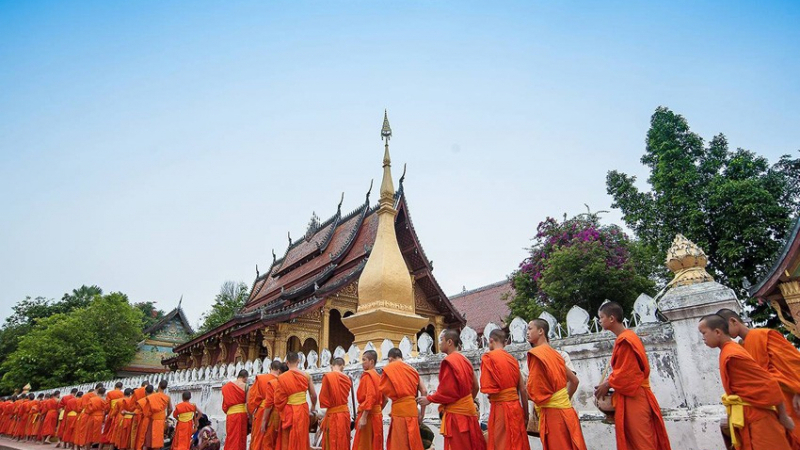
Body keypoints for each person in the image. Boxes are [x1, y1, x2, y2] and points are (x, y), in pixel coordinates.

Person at [698, 314, 794, 449]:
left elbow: (769, 383)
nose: (703, 338)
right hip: (749, 417)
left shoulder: (733, 354)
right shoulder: (728, 351)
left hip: (760, 420)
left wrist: (783, 416)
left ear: (718, 332)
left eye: (704, 333)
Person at [593, 302, 672, 450]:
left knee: (642, 442)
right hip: (631, 396)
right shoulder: (625, 338)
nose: (599, 321)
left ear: (611, 318)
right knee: (634, 441)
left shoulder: (626, 340)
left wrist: (608, 384)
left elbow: (630, 373)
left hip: (635, 397)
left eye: (601, 317)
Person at [417, 329, 486, 450]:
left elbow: (447, 391)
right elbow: (475, 387)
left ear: (449, 342)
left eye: (441, 340)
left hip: (457, 417)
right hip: (469, 411)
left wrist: (429, 399)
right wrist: (466, 402)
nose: (439, 343)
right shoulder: (466, 361)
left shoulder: (449, 361)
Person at [527, 319, 586, 450]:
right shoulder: (557, 354)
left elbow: (535, 393)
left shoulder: (537, 355)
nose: (527, 332)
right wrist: (563, 400)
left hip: (553, 415)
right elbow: (574, 381)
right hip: (566, 411)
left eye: (530, 328)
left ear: (541, 331)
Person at [479, 329, 529, 450]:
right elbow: (523, 390)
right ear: (505, 343)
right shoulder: (513, 360)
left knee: (501, 443)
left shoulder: (488, 357)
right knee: (517, 443)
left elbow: (487, 388)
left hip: (500, 408)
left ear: (491, 341)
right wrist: (526, 415)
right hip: (516, 407)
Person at [380, 348, 427, 450]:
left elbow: (384, 396)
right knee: (413, 444)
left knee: (399, 445)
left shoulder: (389, 369)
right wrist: (422, 414)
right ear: (401, 357)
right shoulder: (413, 370)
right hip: (412, 412)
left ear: (390, 359)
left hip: (399, 413)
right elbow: (424, 391)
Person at [275, 353, 317, 450]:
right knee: (301, 436)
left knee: (287, 437)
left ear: (287, 362)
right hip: (302, 409)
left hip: (288, 410)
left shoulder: (282, 377)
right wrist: (313, 406)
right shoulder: (306, 375)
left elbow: (278, 399)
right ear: (298, 361)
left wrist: (282, 409)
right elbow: (313, 395)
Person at [352, 350, 384, 450]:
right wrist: (377, 410)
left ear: (371, 362)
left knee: (364, 444)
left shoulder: (368, 376)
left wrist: (364, 416)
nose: (362, 362)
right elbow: (386, 399)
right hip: (377, 415)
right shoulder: (379, 377)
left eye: (364, 360)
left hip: (368, 416)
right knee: (375, 443)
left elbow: (370, 396)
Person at [318, 357, 352, 450]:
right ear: (342, 366)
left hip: (333, 415)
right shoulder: (347, 379)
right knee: (343, 441)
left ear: (331, 366)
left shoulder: (328, 377)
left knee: (332, 441)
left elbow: (323, 400)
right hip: (345, 415)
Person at [248, 362, 279, 450]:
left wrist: (251, 414)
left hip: (262, 411)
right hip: (277, 412)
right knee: (273, 440)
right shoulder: (282, 380)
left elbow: (252, 399)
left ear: (270, 368)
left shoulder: (261, 378)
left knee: (259, 437)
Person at [222, 370, 249, 450]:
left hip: (230, 415)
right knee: (240, 438)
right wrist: (250, 417)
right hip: (241, 415)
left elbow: (224, 406)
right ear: (245, 377)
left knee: (231, 437)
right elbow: (248, 404)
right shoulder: (246, 386)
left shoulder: (226, 387)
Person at [146, 380, 172, 450]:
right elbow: (170, 409)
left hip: (152, 418)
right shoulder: (167, 397)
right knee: (157, 439)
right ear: (165, 387)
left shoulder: (152, 396)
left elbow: (147, 408)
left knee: (149, 439)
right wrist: (167, 416)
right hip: (161, 419)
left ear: (158, 385)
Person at [102, 382, 125, 450]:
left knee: (108, 430)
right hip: (120, 414)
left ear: (115, 386)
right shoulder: (122, 394)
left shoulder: (110, 393)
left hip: (112, 412)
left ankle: (106, 445)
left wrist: (106, 412)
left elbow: (107, 405)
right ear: (121, 387)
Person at [136, 384, 155, 450]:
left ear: (145, 392)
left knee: (143, 438)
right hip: (154, 421)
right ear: (153, 391)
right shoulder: (156, 400)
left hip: (144, 421)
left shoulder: (142, 401)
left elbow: (137, 413)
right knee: (150, 438)